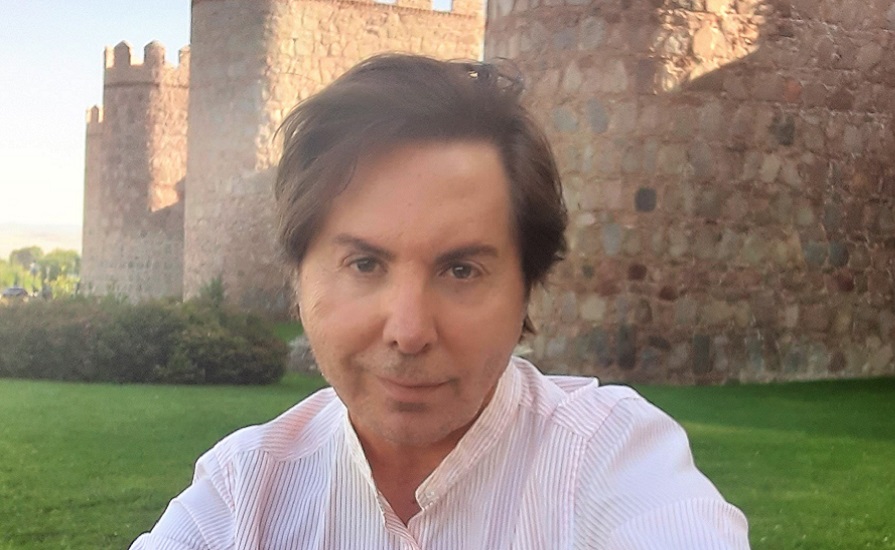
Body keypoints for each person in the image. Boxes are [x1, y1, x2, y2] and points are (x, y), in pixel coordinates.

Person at [131, 53, 750, 549]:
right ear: (300, 275)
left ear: (527, 287)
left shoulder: (606, 458)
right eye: (365, 264)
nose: (408, 331)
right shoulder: (245, 493)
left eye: (460, 270)